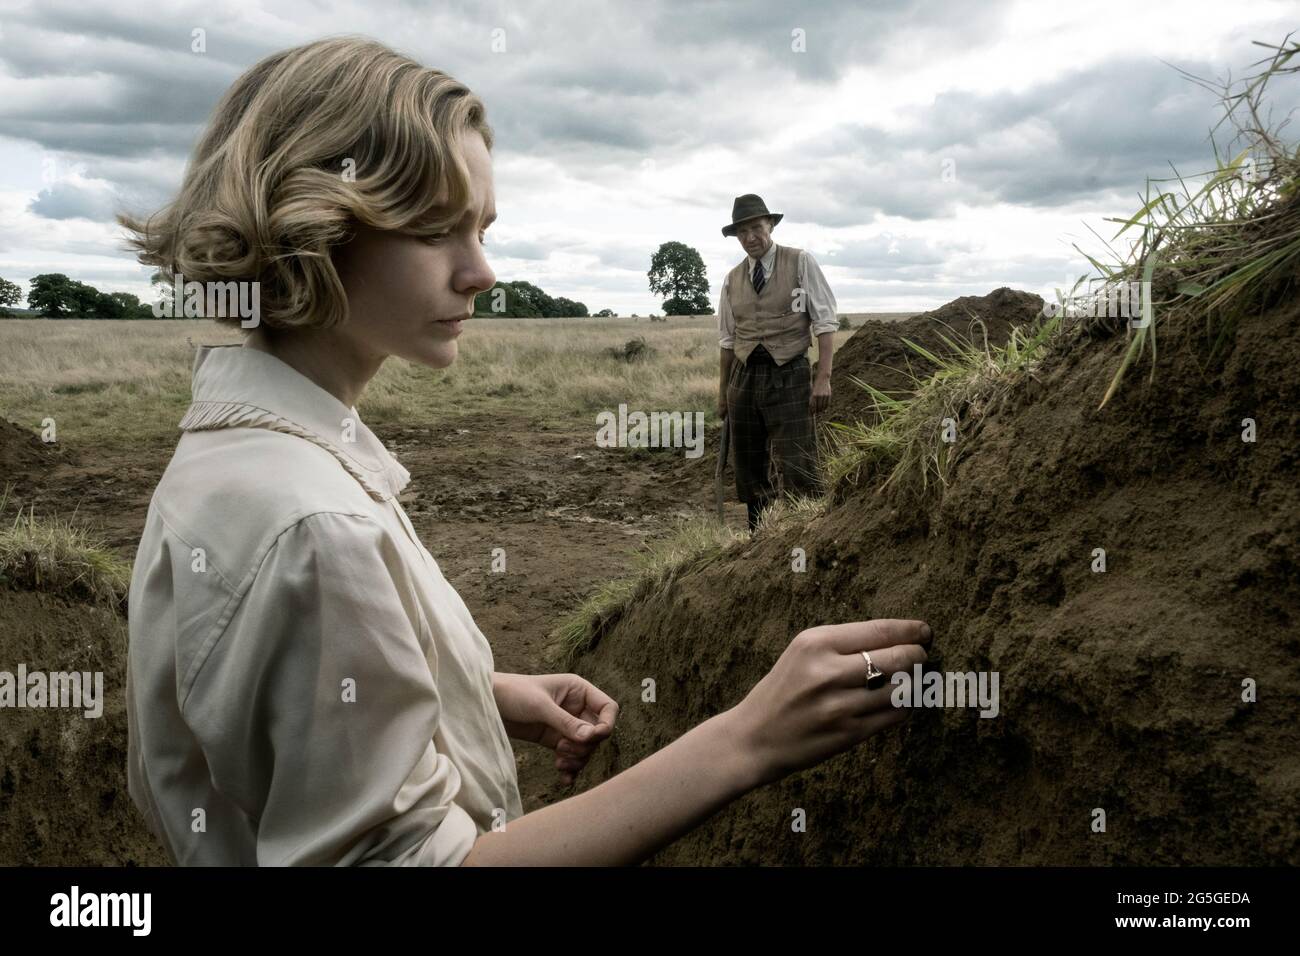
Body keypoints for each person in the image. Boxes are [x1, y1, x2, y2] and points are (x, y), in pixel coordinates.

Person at [119, 35, 930, 867]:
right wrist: (748, 742)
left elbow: (271, 713)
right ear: (312, 225)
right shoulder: (312, 525)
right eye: (435, 229)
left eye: (483, 227)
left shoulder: (239, 447)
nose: (481, 271)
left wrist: (469, 692)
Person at [716, 195, 840, 530]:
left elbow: (825, 323)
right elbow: (728, 341)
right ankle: (760, 539)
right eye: (742, 232)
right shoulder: (732, 279)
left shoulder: (800, 262)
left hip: (789, 373)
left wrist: (823, 377)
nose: (750, 237)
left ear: (770, 225)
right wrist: (723, 392)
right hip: (743, 379)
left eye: (756, 228)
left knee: (798, 460)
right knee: (749, 465)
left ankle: (809, 532)